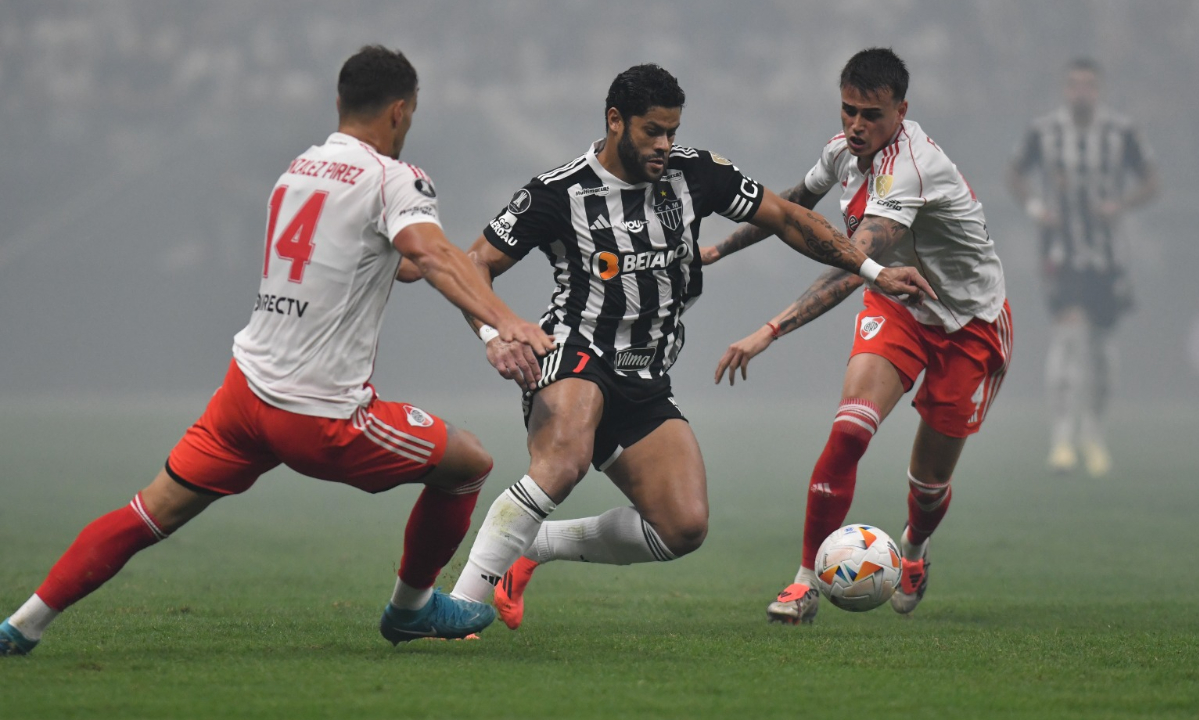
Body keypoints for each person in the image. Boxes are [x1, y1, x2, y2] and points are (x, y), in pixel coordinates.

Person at [0, 45, 554, 656]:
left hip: (243, 395)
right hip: (320, 414)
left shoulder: (299, 169)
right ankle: (411, 609)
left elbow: (392, 263)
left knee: (146, 513)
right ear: (400, 112)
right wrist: (505, 320)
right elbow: (429, 255)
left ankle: (23, 623)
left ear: (340, 103)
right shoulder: (393, 177)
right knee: (468, 462)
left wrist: (442, 259)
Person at [442, 63, 934, 630]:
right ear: (614, 121)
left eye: (672, 131)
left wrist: (872, 270)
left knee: (682, 527)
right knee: (564, 461)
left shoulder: (695, 173)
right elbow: (473, 262)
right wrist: (493, 332)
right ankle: (456, 608)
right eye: (652, 131)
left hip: (646, 375)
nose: (664, 144)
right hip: (573, 354)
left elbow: (787, 218)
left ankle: (533, 545)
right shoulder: (558, 192)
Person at [702, 48, 1012, 625]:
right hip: (898, 303)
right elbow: (790, 209)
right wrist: (716, 250)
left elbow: (852, 262)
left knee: (928, 484)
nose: (856, 126)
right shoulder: (842, 151)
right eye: (848, 111)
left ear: (902, 110)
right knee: (849, 431)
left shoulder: (911, 168)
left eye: (871, 114)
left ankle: (914, 550)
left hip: (969, 324)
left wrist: (769, 330)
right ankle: (802, 584)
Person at [1006, 57, 1157, 477]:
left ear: (1100, 89)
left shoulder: (1121, 132)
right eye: (1074, 85)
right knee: (1069, 335)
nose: (1081, 93)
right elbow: (1015, 173)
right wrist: (1036, 206)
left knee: (1103, 349)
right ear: (1064, 89)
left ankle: (1094, 431)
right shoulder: (1044, 131)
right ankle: (1061, 438)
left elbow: (1151, 180)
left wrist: (1121, 204)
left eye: (1089, 85)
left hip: (1109, 257)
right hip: (1062, 253)